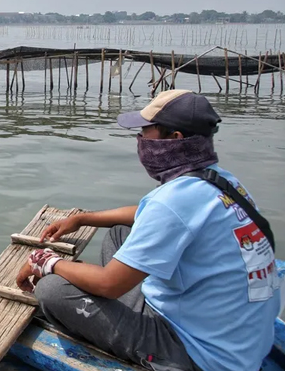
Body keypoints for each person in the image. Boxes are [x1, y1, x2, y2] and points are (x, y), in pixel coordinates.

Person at [15, 89, 280, 371]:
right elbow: (149, 214)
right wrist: (85, 218)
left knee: (52, 290)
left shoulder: (174, 200)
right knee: (119, 232)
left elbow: (109, 284)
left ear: (174, 139)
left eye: (145, 132)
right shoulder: (222, 181)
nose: (140, 141)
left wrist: (45, 261)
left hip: (198, 353)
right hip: (237, 338)